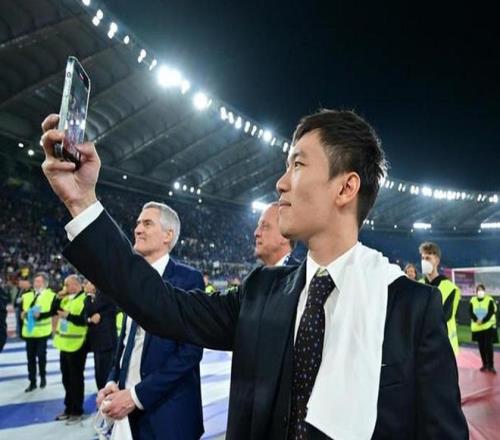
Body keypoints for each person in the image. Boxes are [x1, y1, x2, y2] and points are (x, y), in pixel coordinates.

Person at [41, 109, 468, 439]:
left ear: (345, 188)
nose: (280, 183)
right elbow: (161, 305)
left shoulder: (411, 307)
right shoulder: (261, 291)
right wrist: (82, 203)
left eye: (297, 165)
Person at [96, 202, 205, 439]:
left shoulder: (188, 279)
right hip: (125, 412)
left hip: (167, 415)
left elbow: (190, 353)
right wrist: (113, 380)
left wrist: (135, 396)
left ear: (168, 235)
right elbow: (126, 342)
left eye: (147, 223)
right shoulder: (131, 280)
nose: (137, 229)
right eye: (137, 223)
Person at [53, 274, 88, 423]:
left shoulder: (84, 298)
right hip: (64, 343)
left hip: (77, 344)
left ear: (77, 284)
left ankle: (77, 410)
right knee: (66, 378)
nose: (66, 287)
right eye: (66, 284)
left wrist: (68, 316)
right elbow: (54, 310)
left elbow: (83, 320)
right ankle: (68, 408)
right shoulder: (67, 298)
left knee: (76, 379)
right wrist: (58, 297)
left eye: (68, 284)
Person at [419, 241, 461, 355]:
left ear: (437, 261)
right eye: (422, 258)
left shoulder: (450, 288)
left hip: (444, 347)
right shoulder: (418, 285)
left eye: (428, 258)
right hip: (422, 346)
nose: (424, 262)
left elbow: (443, 317)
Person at [20, 272, 56, 392]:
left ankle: (43, 377)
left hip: (42, 332)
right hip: (29, 332)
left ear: (45, 283)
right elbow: (22, 310)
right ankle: (32, 382)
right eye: (35, 281)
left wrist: (41, 316)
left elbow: (53, 312)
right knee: (30, 358)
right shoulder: (26, 295)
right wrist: (22, 315)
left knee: (41, 356)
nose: (36, 283)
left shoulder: (51, 295)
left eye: (39, 281)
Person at [84, 280, 117, 390]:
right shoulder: (94, 296)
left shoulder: (106, 292)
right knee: (99, 373)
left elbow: (91, 309)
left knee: (105, 374)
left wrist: (89, 295)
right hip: (97, 342)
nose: (87, 285)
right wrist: (90, 319)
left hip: (106, 341)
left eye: (89, 282)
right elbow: (85, 315)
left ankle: (107, 396)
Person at [254, 202, 298, 266]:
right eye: (258, 226)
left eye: (265, 226)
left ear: (285, 236)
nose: (256, 233)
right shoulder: (257, 272)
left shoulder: (305, 272)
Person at [470, 284, 497, 373]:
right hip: (478, 328)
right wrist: (476, 320)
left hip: (488, 327)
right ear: (476, 292)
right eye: (478, 290)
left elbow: (491, 311)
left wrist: (483, 320)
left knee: (488, 346)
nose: (480, 292)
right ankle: (484, 364)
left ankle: (491, 366)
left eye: (481, 290)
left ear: (484, 291)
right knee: (481, 346)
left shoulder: (489, 300)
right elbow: (470, 312)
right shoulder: (473, 300)